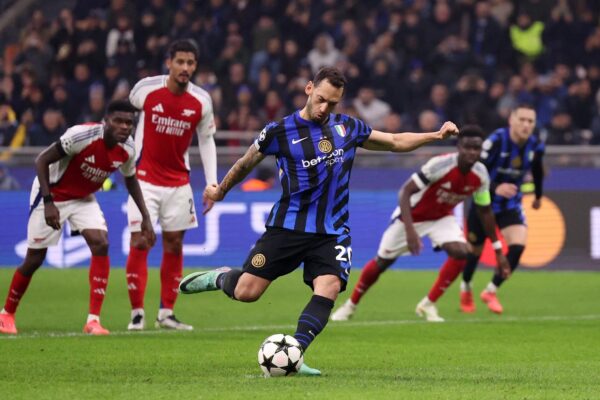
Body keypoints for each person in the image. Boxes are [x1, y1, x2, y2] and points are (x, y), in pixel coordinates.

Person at [178, 67, 459, 375]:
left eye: (333, 104)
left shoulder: (347, 127)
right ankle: (221, 277)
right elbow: (246, 162)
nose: (325, 109)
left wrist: (435, 135)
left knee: (329, 286)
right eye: (322, 99)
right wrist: (220, 189)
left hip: (332, 231)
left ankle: (295, 353)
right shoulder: (279, 131)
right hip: (288, 226)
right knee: (248, 292)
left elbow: (393, 140)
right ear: (309, 89)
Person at [0, 100, 155, 335]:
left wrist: (146, 217)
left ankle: (93, 321)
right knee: (35, 258)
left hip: (83, 197)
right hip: (52, 192)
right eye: (119, 121)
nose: (124, 127)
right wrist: (49, 201)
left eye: (129, 123)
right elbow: (41, 160)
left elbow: (130, 179)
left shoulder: (129, 149)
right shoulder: (82, 136)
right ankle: (6, 314)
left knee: (101, 243)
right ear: (106, 121)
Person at [331, 125, 510, 323]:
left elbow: (485, 211)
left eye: (476, 148)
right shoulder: (440, 165)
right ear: (459, 147)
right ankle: (350, 305)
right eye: (467, 147)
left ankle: (428, 304)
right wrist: (410, 232)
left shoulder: (481, 174)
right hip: (411, 216)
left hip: (441, 217)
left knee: (461, 252)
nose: (471, 152)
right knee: (382, 262)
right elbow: (405, 192)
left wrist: (498, 250)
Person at [124, 39, 218, 331]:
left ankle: (166, 313)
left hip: (179, 183)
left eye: (191, 63)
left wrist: (212, 182)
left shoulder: (201, 101)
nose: (185, 68)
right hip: (144, 181)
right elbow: (122, 118)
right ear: (169, 62)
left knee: (175, 244)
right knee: (141, 240)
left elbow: (206, 140)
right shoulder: (145, 90)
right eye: (180, 62)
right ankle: (137, 313)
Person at [459, 104, 545, 314]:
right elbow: (475, 170)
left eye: (530, 121)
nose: (526, 125)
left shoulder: (535, 145)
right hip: (484, 202)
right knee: (474, 251)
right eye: (522, 119)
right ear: (511, 121)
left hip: (510, 204)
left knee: (518, 245)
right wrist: (496, 187)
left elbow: (537, 170)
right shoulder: (496, 140)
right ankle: (466, 286)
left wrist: (538, 196)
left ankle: (491, 290)